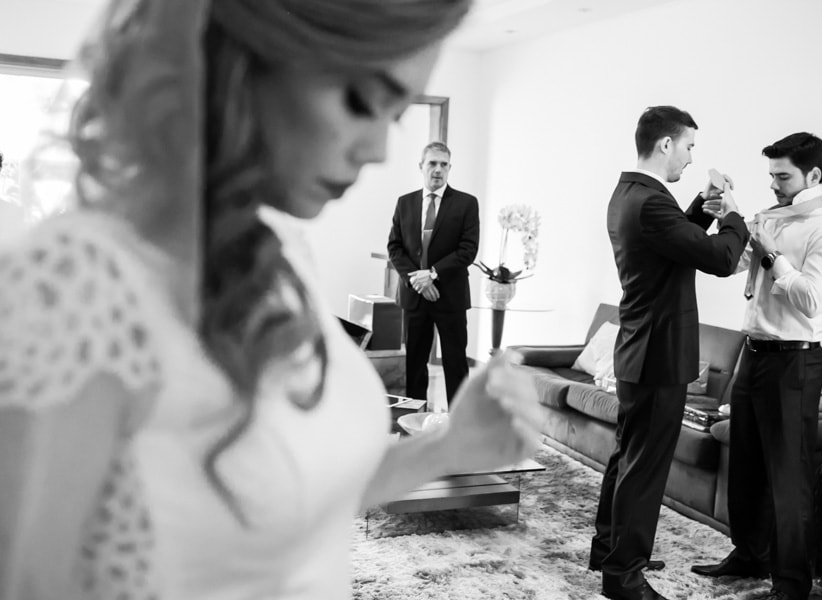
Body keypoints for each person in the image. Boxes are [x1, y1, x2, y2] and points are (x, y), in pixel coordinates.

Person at [0, 1, 543, 598]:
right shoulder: (74, 287)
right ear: (244, 63)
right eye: (363, 101)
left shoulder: (282, 251)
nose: (378, 150)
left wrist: (450, 445)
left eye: (397, 114)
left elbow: (306, 500)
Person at [589, 105, 750, 600]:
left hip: (638, 348)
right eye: (688, 147)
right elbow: (721, 258)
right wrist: (734, 215)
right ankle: (625, 577)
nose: (689, 157)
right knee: (645, 467)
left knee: (627, 456)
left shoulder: (631, 194)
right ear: (665, 144)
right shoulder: (651, 202)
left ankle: (609, 548)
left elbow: (674, 236)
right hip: (658, 355)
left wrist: (703, 202)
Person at [691, 133, 822, 600]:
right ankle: (749, 554)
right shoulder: (768, 218)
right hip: (754, 354)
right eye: (771, 176)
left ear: (814, 176)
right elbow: (729, 266)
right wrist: (730, 220)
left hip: (796, 362)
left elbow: (810, 299)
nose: (775, 185)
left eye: (783, 177)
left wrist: (771, 252)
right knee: (744, 464)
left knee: (788, 476)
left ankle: (790, 583)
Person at [387, 141, 479, 406]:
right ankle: (413, 424)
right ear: (421, 166)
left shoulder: (466, 204)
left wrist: (433, 274)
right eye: (432, 163)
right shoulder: (405, 203)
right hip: (415, 297)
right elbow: (394, 246)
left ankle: (458, 426)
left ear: (450, 168)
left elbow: (467, 250)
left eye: (443, 164)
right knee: (415, 365)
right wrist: (416, 279)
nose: (438, 170)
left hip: (449, 296)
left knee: (455, 364)